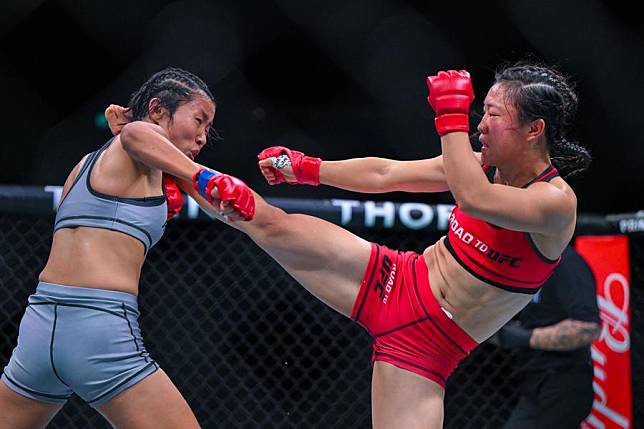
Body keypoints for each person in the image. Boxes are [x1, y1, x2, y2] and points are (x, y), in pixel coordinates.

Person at [106, 61, 591, 429]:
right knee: (264, 220)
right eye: (478, 111)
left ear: (534, 130)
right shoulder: (480, 164)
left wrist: (449, 118)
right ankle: (174, 168)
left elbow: (475, 199)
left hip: (428, 348)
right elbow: (387, 173)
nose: (479, 124)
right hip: (394, 277)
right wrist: (308, 168)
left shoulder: (554, 203)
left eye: (491, 113)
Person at [0, 67, 254, 429]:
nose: (202, 136)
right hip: (99, 329)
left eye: (208, 128)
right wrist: (205, 175)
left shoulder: (90, 162)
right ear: (158, 110)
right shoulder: (137, 139)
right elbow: (137, 133)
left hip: (40, 328)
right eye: (198, 120)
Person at [497, 245, 601, 429]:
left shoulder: (567, 264)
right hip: (535, 383)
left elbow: (588, 328)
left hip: (562, 383)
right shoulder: (530, 262)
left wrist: (525, 338)